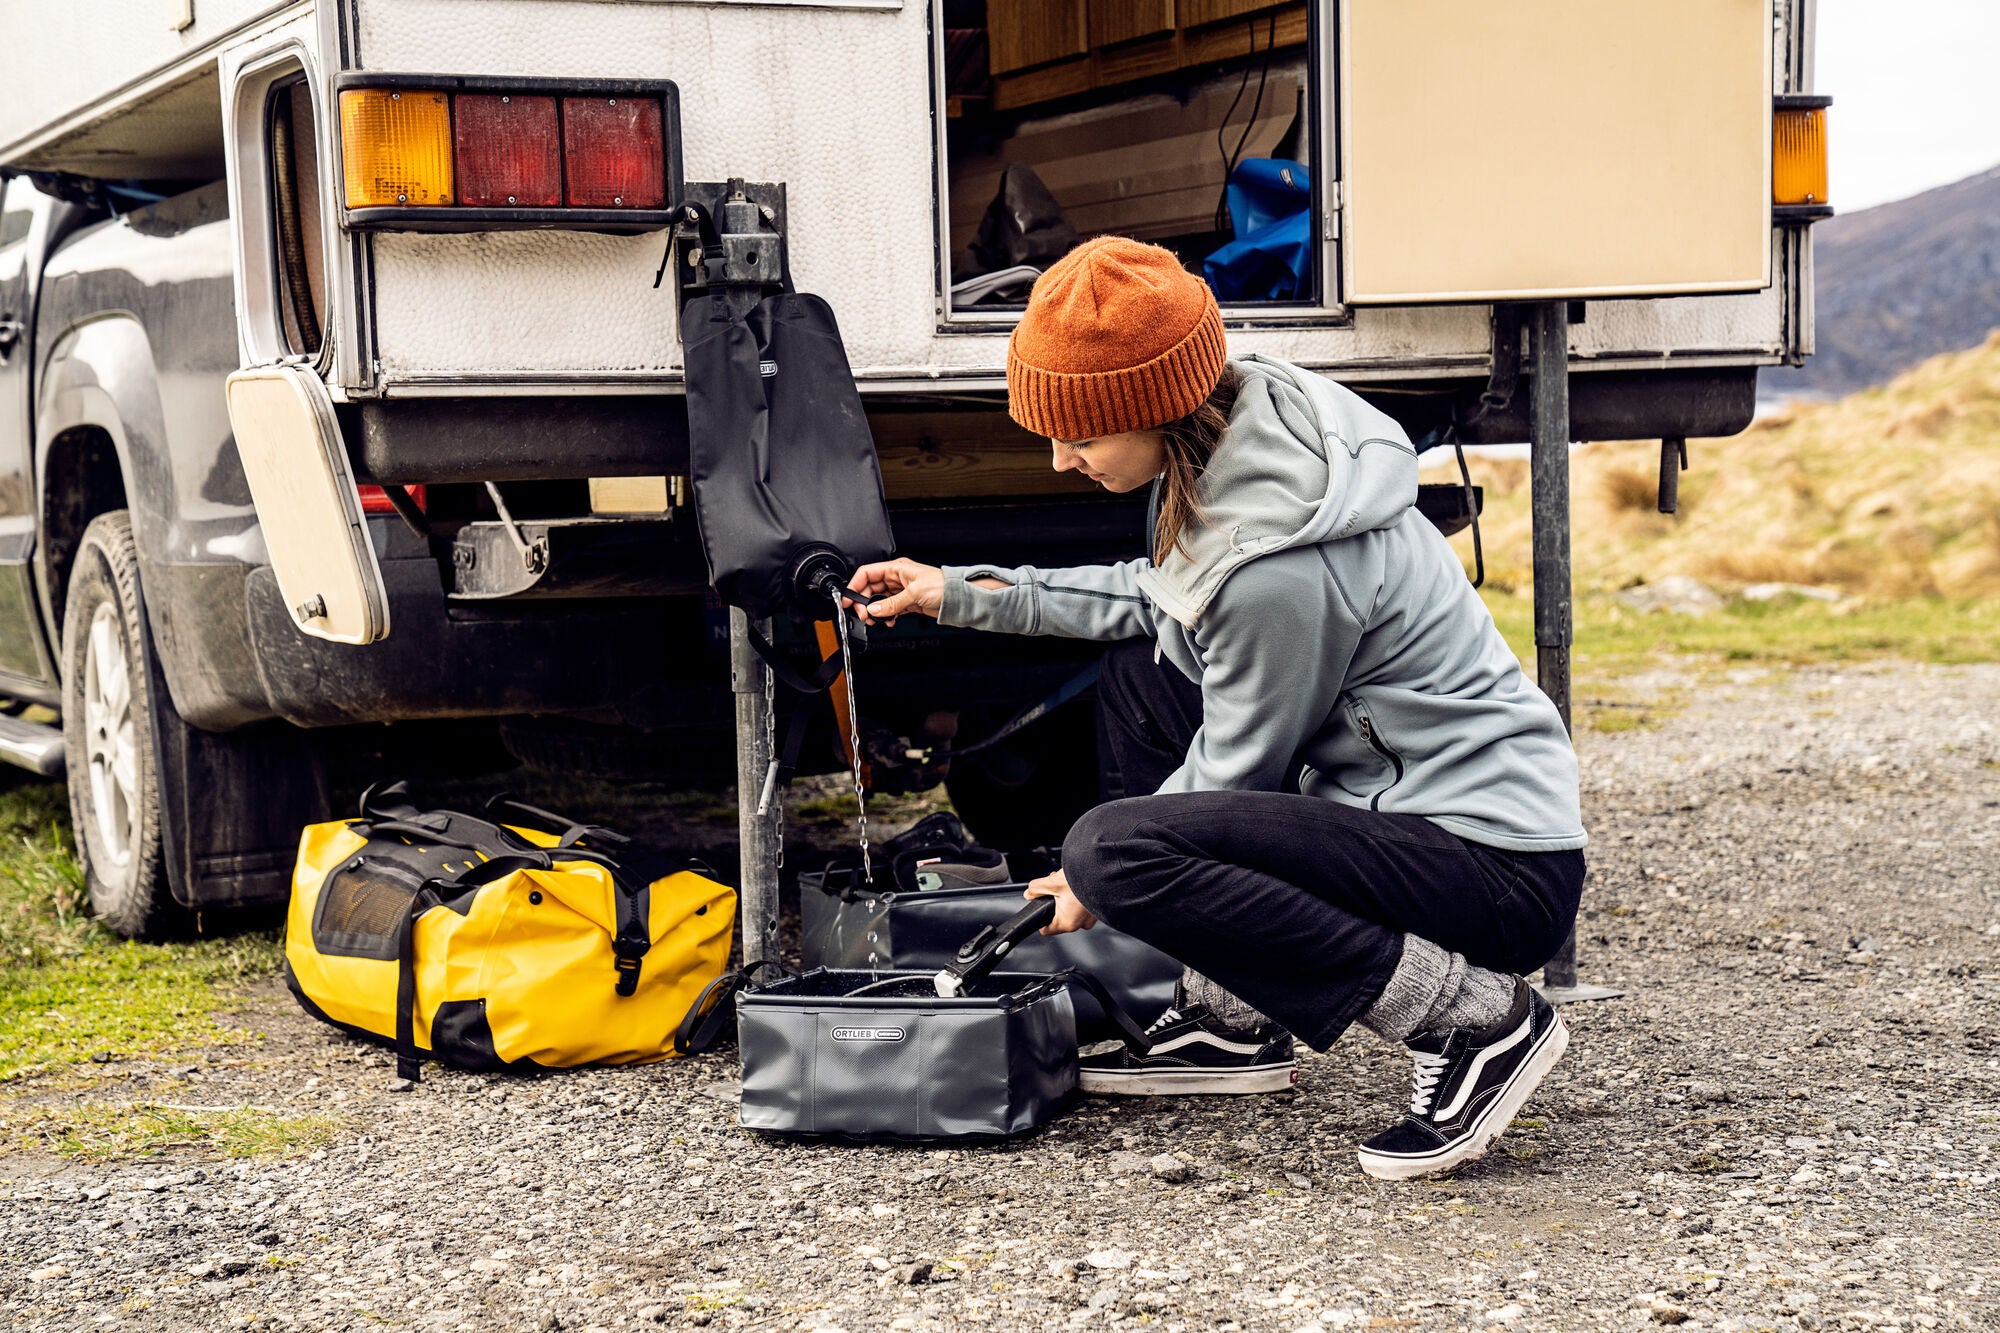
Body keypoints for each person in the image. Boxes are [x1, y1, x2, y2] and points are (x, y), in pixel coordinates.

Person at [846, 237, 1587, 1180]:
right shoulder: (1245, 426)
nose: (1061, 459)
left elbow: (1236, 768)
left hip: (1491, 865)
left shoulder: (1277, 571)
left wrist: (1096, 885)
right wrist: (954, 591)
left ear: (1154, 408)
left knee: (1115, 849)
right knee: (1143, 679)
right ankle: (1231, 1016)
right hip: (1413, 820)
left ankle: (1477, 1021)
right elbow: (1158, 596)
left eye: (1080, 434)